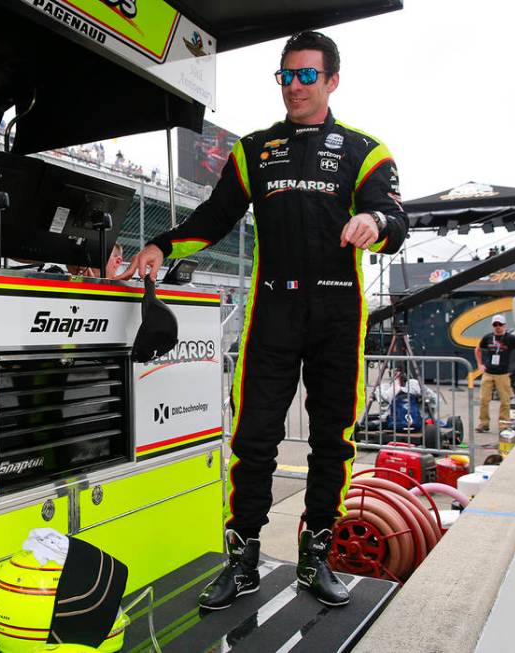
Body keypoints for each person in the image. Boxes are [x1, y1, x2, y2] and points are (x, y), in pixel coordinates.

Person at [116, 30, 408, 609]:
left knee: (333, 442)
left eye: (306, 76)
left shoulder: (366, 151)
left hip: (336, 315)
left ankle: (315, 558)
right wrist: (162, 246)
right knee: (253, 441)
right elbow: (215, 217)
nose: (295, 87)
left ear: (331, 81)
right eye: (286, 76)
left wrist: (374, 221)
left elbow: (397, 219)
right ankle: (242, 560)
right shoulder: (253, 149)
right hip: (272, 312)